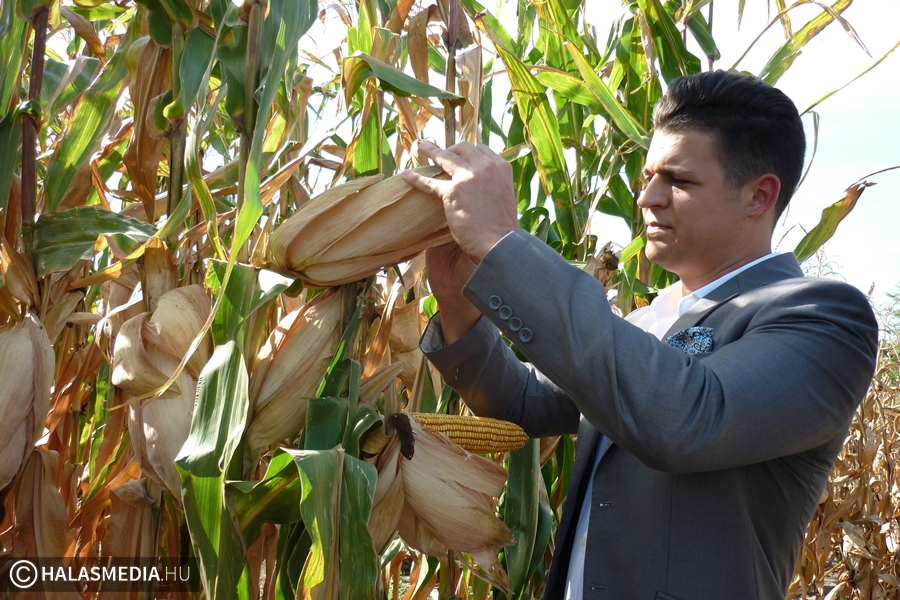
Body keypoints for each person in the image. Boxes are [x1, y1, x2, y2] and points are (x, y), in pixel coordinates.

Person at [401, 70, 880, 599]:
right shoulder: (652, 320)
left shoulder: (821, 318)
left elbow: (687, 419)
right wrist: (457, 299)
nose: (648, 197)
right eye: (647, 175)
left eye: (678, 180)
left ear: (758, 195)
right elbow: (523, 402)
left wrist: (503, 245)